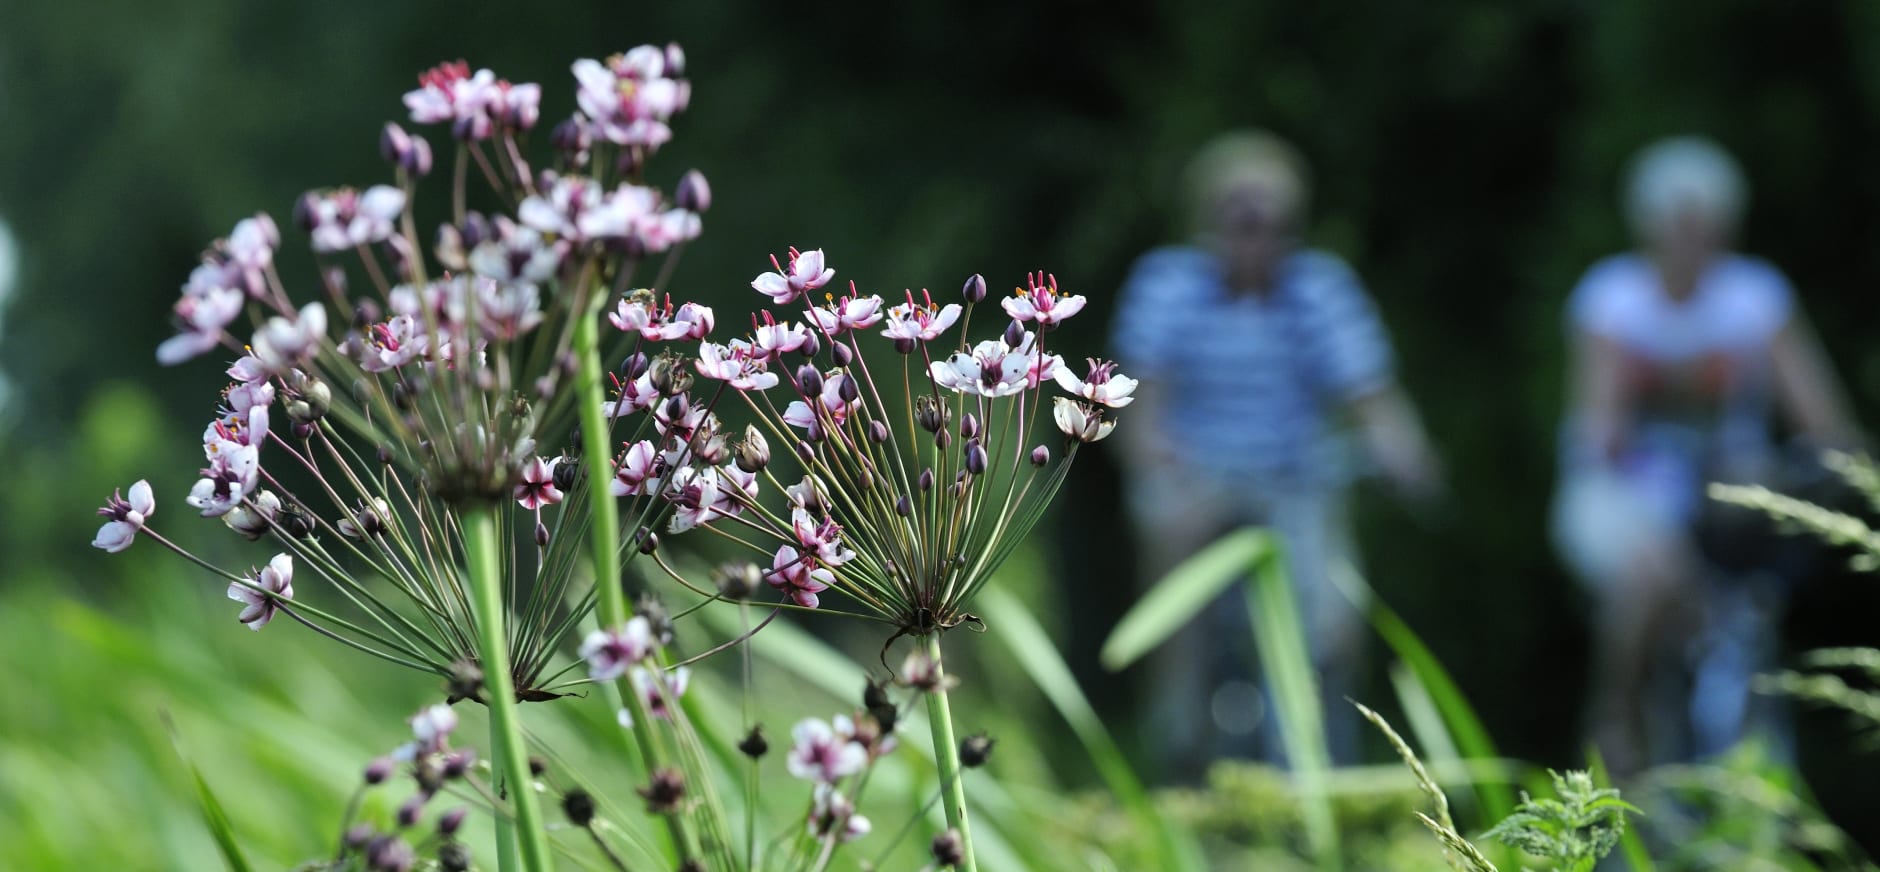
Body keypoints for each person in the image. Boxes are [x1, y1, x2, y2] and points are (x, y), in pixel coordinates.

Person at [1111, 130, 1441, 774]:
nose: (1256, 236)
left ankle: (1316, 749)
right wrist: (1153, 455)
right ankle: (1181, 731)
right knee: (1175, 569)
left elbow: (1372, 397)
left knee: (1331, 611)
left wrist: (1408, 458)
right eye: (1240, 218)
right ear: (1208, 219)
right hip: (1198, 474)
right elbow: (1141, 403)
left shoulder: (1321, 289)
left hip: (1296, 478)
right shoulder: (1167, 284)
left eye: (1272, 221)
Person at [1552, 136, 1860, 776]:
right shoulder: (1612, 297)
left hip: (1729, 499)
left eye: (1706, 225)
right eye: (1680, 224)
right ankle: (1617, 717)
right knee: (1649, 572)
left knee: (1745, 600)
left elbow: (1822, 420)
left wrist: (1839, 467)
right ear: (1650, 226)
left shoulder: (1755, 296)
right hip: (1627, 488)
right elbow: (1600, 428)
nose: (1693, 241)